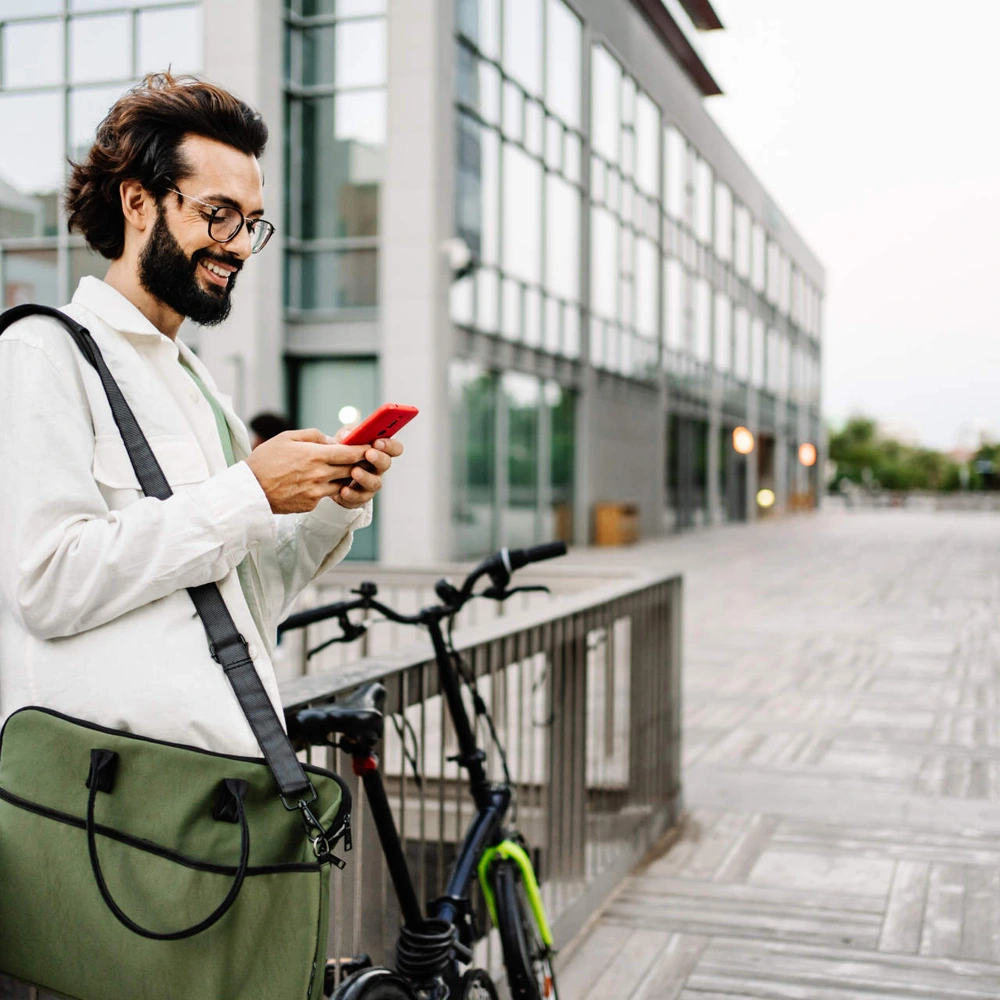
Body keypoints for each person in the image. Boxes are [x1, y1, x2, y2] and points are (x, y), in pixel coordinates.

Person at [0, 73, 403, 756]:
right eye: (218, 214)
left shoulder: (197, 383)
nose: (240, 245)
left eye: (251, 223)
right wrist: (249, 491)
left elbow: (248, 597)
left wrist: (331, 503)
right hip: (114, 807)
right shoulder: (40, 353)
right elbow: (47, 583)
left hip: (214, 797)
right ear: (138, 202)